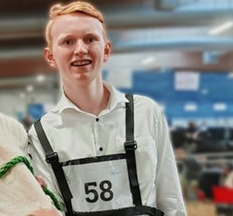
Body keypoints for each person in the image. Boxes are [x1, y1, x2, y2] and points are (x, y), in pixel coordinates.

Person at [26, 1, 186, 215]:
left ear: (107, 49)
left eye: (90, 39)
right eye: (68, 42)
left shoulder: (146, 113)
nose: (80, 49)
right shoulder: (40, 135)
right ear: (50, 56)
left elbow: (171, 200)